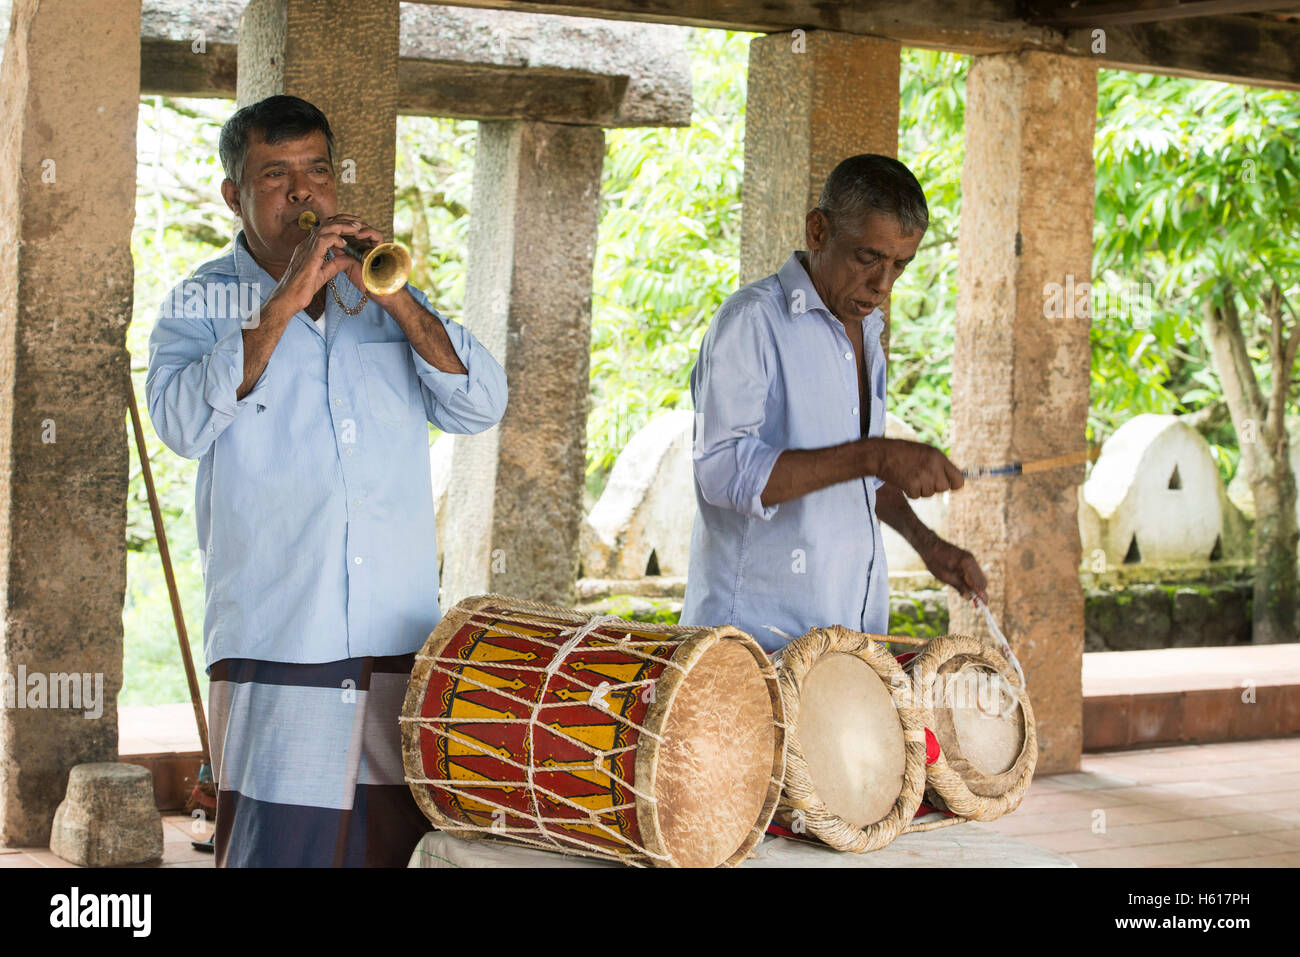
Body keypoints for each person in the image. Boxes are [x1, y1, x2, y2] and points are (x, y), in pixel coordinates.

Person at [146, 95, 507, 866]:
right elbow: (178, 423)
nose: (302, 193)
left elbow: (481, 403)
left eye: (316, 171)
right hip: (280, 634)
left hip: (398, 636)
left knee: (394, 850)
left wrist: (399, 297)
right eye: (275, 176)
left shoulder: (383, 295)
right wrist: (283, 304)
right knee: (282, 852)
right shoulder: (200, 303)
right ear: (233, 196)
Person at [680, 154, 985, 652]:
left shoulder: (866, 332)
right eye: (869, 258)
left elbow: (858, 478)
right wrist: (877, 455)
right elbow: (722, 472)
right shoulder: (753, 322)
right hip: (754, 646)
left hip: (848, 642)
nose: (883, 286)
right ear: (818, 231)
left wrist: (927, 544)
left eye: (899, 265)